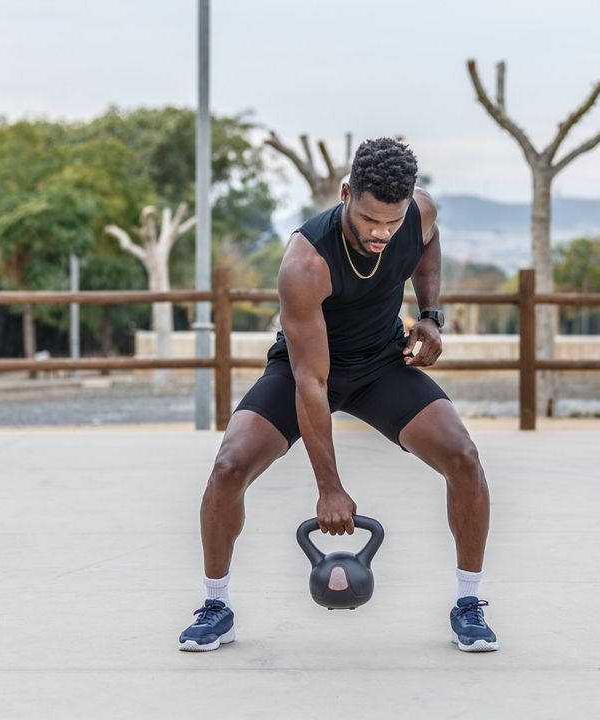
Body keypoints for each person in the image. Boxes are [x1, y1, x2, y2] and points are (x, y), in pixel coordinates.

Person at [178, 137, 497, 653]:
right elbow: (312, 382)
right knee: (230, 467)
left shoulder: (417, 215)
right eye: (370, 219)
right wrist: (329, 487)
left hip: (381, 366)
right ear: (347, 193)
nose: (381, 233)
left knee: (464, 458)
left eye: (392, 223)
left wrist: (431, 315)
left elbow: (428, 241)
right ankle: (216, 605)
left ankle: (469, 604)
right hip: (304, 370)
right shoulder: (305, 262)